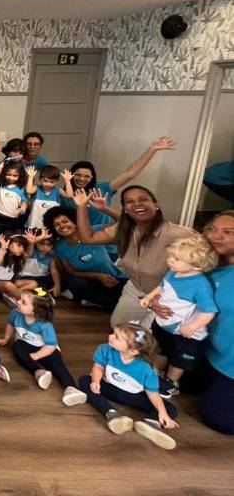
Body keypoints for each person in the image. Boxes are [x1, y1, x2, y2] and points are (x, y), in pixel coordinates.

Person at [74, 186, 196, 327]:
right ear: (125, 209)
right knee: (118, 326)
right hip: (136, 289)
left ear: (155, 204)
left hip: (167, 296)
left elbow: (201, 269)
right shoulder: (125, 230)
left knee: (148, 335)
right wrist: (82, 206)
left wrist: (170, 297)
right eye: (130, 201)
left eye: (143, 199)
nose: (137, 204)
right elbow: (88, 238)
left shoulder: (179, 235)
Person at [67, 323, 178, 450]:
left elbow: (152, 393)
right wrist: (96, 381)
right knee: (85, 380)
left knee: (170, 409)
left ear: (133, 351)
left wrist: (162, 413)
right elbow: (98, 366)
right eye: (113, 333)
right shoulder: (105, 349)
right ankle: (112, 414)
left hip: (133, 396)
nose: (110, 336)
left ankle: (152, 423)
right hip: (109, 388)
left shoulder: (146, 369)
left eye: (116, 337)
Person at [139, 236, 218, 396]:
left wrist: (191, 327)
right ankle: (155, 374)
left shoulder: (200, 285)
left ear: (196, 264)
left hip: (186, 333)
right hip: (165, 323)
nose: (169, 260)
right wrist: (149, 297)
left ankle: (171, 382)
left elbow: (209, 311)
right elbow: (161, 287)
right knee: (160, 349)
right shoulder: (173, 273)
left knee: (179, 359)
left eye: (176, 258)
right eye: (170, 256)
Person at [0, 290, 82, 405]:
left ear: (36, 311)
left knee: (58, 366)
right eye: (20, 299)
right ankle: (38, 372)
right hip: (25, 344)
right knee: (17, 348)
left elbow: (51, 345)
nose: (18, 302)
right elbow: (10, 324)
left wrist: (37, 355)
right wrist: (6, 338)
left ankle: (71, 388)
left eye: (23, 302)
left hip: (47, 349)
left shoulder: (45, 325)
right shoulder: (15, 313)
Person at [43, 205, 126, 312]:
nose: (62, 225)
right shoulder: (59, 247)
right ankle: (108, 305)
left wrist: (103, 208)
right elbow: (71, 271)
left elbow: (122, 221)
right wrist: (98, 276)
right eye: (56, 225)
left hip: (114, 278)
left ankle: (99, 303)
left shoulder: (92, 231)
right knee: (75, 283)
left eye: (65, 221)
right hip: (90, 284)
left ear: (75, 221)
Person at [199, 210, 234, 435]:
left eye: (228, 232)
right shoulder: (208, 268)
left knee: (220, 421)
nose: (215, 236)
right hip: (210, 351)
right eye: (212, 229)